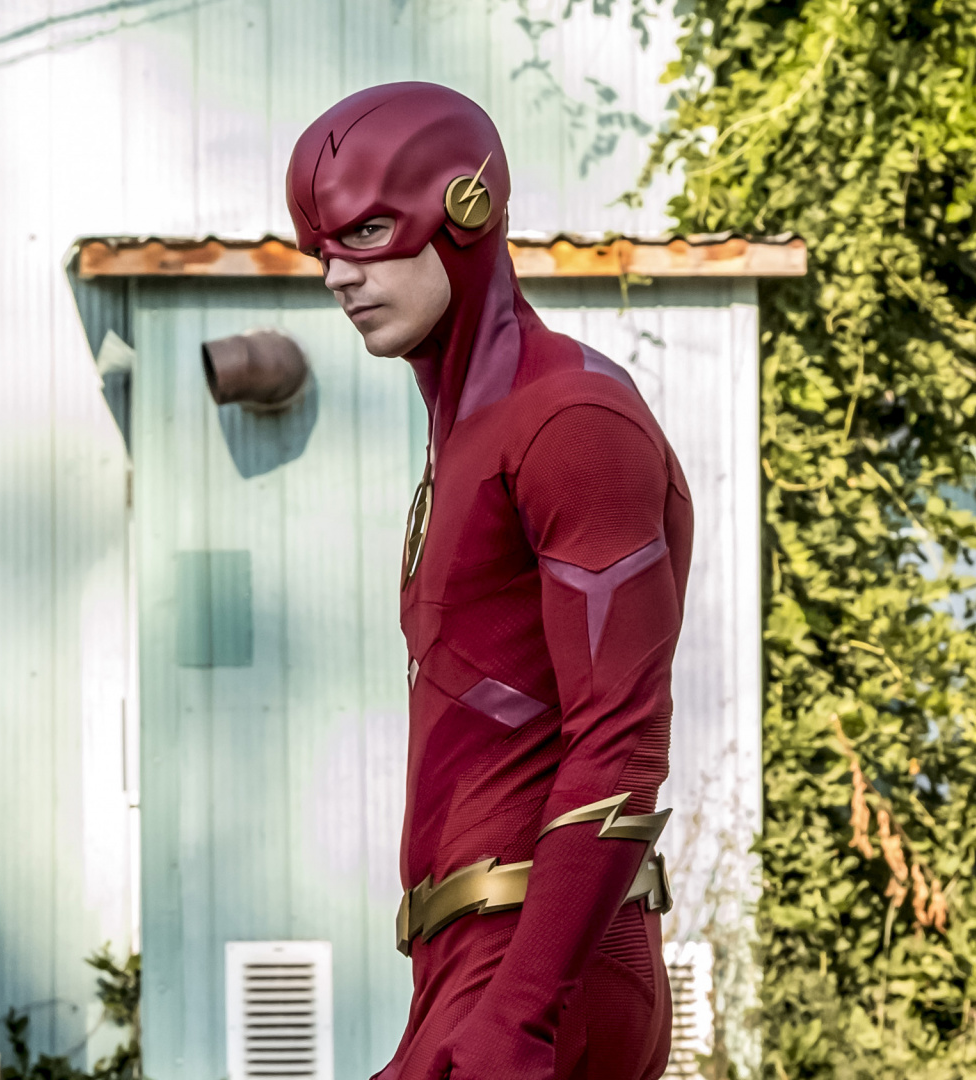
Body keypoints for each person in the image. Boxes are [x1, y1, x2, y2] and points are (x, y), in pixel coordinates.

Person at [285, 82, 692, 1080]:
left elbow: (622, 736)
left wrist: (520, 1012)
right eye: (323, 248)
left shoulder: (570, 422)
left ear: (466, 211)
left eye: (369, 232)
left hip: (542, 965)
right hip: (474, 963)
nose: (339, 275)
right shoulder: (473, 434)